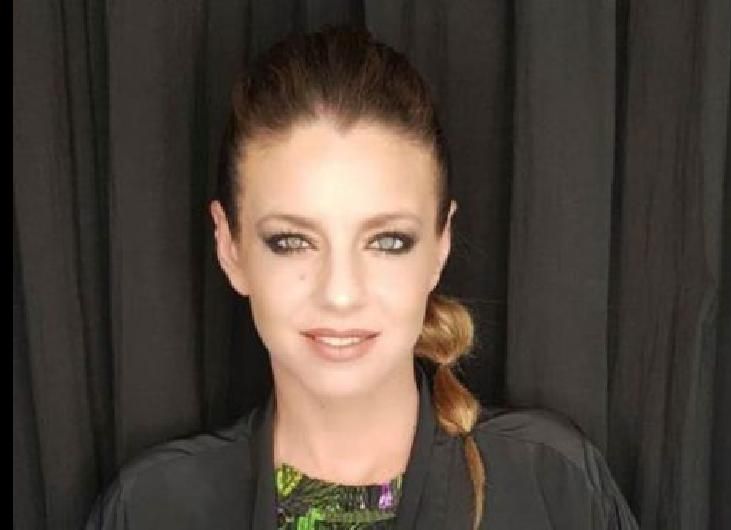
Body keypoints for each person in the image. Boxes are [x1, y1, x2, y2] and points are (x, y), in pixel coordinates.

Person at [85, 24, 639, 530]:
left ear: (441, 245)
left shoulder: (555, 487)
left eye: (388, 241)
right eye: (292, 241)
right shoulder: (151, 509)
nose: (341, 293)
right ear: (229, 248)